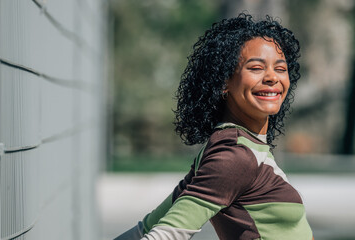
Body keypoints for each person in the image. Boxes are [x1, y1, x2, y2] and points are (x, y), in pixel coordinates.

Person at [114, 13, 313, 240]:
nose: (272, 77)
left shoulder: (236, 146)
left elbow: (146, 227)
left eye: (280, 68)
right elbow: (163, 234)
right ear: (223, 81)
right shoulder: (235, 157)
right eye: (256, 68)